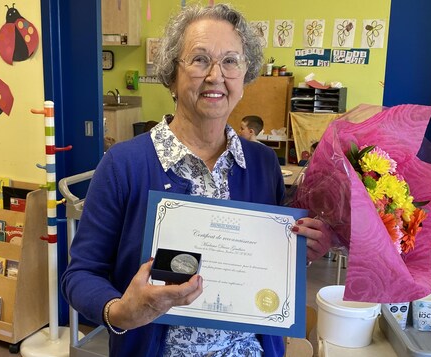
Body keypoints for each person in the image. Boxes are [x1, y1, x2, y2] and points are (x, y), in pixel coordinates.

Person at [61, 4, 336, 356]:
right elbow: (81, 274)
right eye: (200, 59)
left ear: (245, 73)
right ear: (172, 74)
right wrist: (120, 312)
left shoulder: (263, 163)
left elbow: (268, 262)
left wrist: (305, 248)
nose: (215, 76)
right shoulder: (124, 165)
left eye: (231, 61)